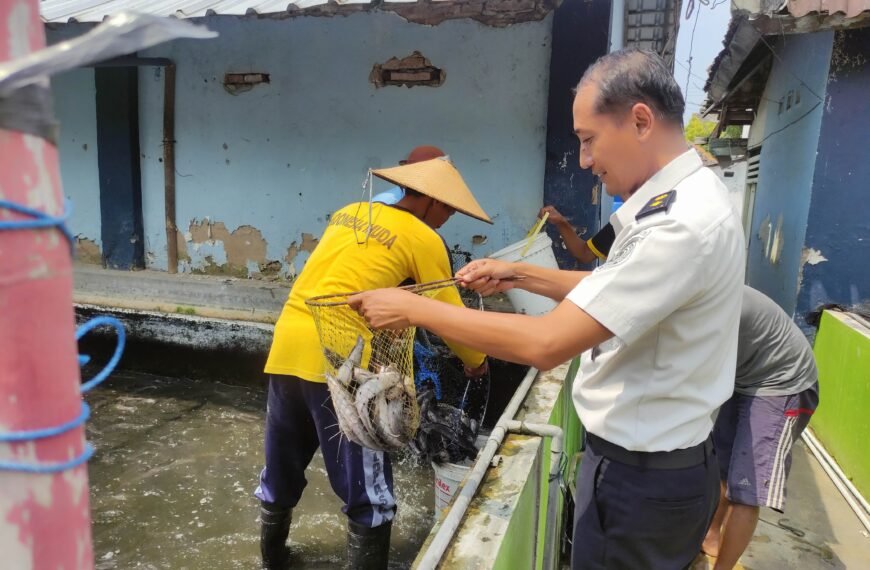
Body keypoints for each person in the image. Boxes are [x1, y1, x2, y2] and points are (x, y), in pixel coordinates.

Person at [348, 48, 745, 569]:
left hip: (643, 481)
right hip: (649, 471)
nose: (584, 160)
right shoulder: (680, 204)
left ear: (641, 120)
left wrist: (413, 308)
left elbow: (545, 344)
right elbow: (609, 287)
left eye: (588, 140)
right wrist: (520, 273)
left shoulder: (678, 224)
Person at [256, 147, 489, 570]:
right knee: (370, 496)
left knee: (280, 471)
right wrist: (476, 361)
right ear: (431, 199)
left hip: (287, 345)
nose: (448, 217)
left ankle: (273, 560)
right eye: (448, 209)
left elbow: (351, 277)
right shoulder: (423, 238)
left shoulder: (350, 213)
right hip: (342, 360)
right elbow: (449, 314)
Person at [702, 285, 820, 570]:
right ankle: (709, 537)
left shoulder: (709, 304)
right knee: (722, 468)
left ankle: (723, 567)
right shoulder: (698, 290)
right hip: (746, 378)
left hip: (782, 383)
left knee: (747, 488)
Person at [539, 205, 615, 264]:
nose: (604, 183)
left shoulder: (624, 221)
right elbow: (585, 253)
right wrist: (560, 221)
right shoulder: (618, 222)